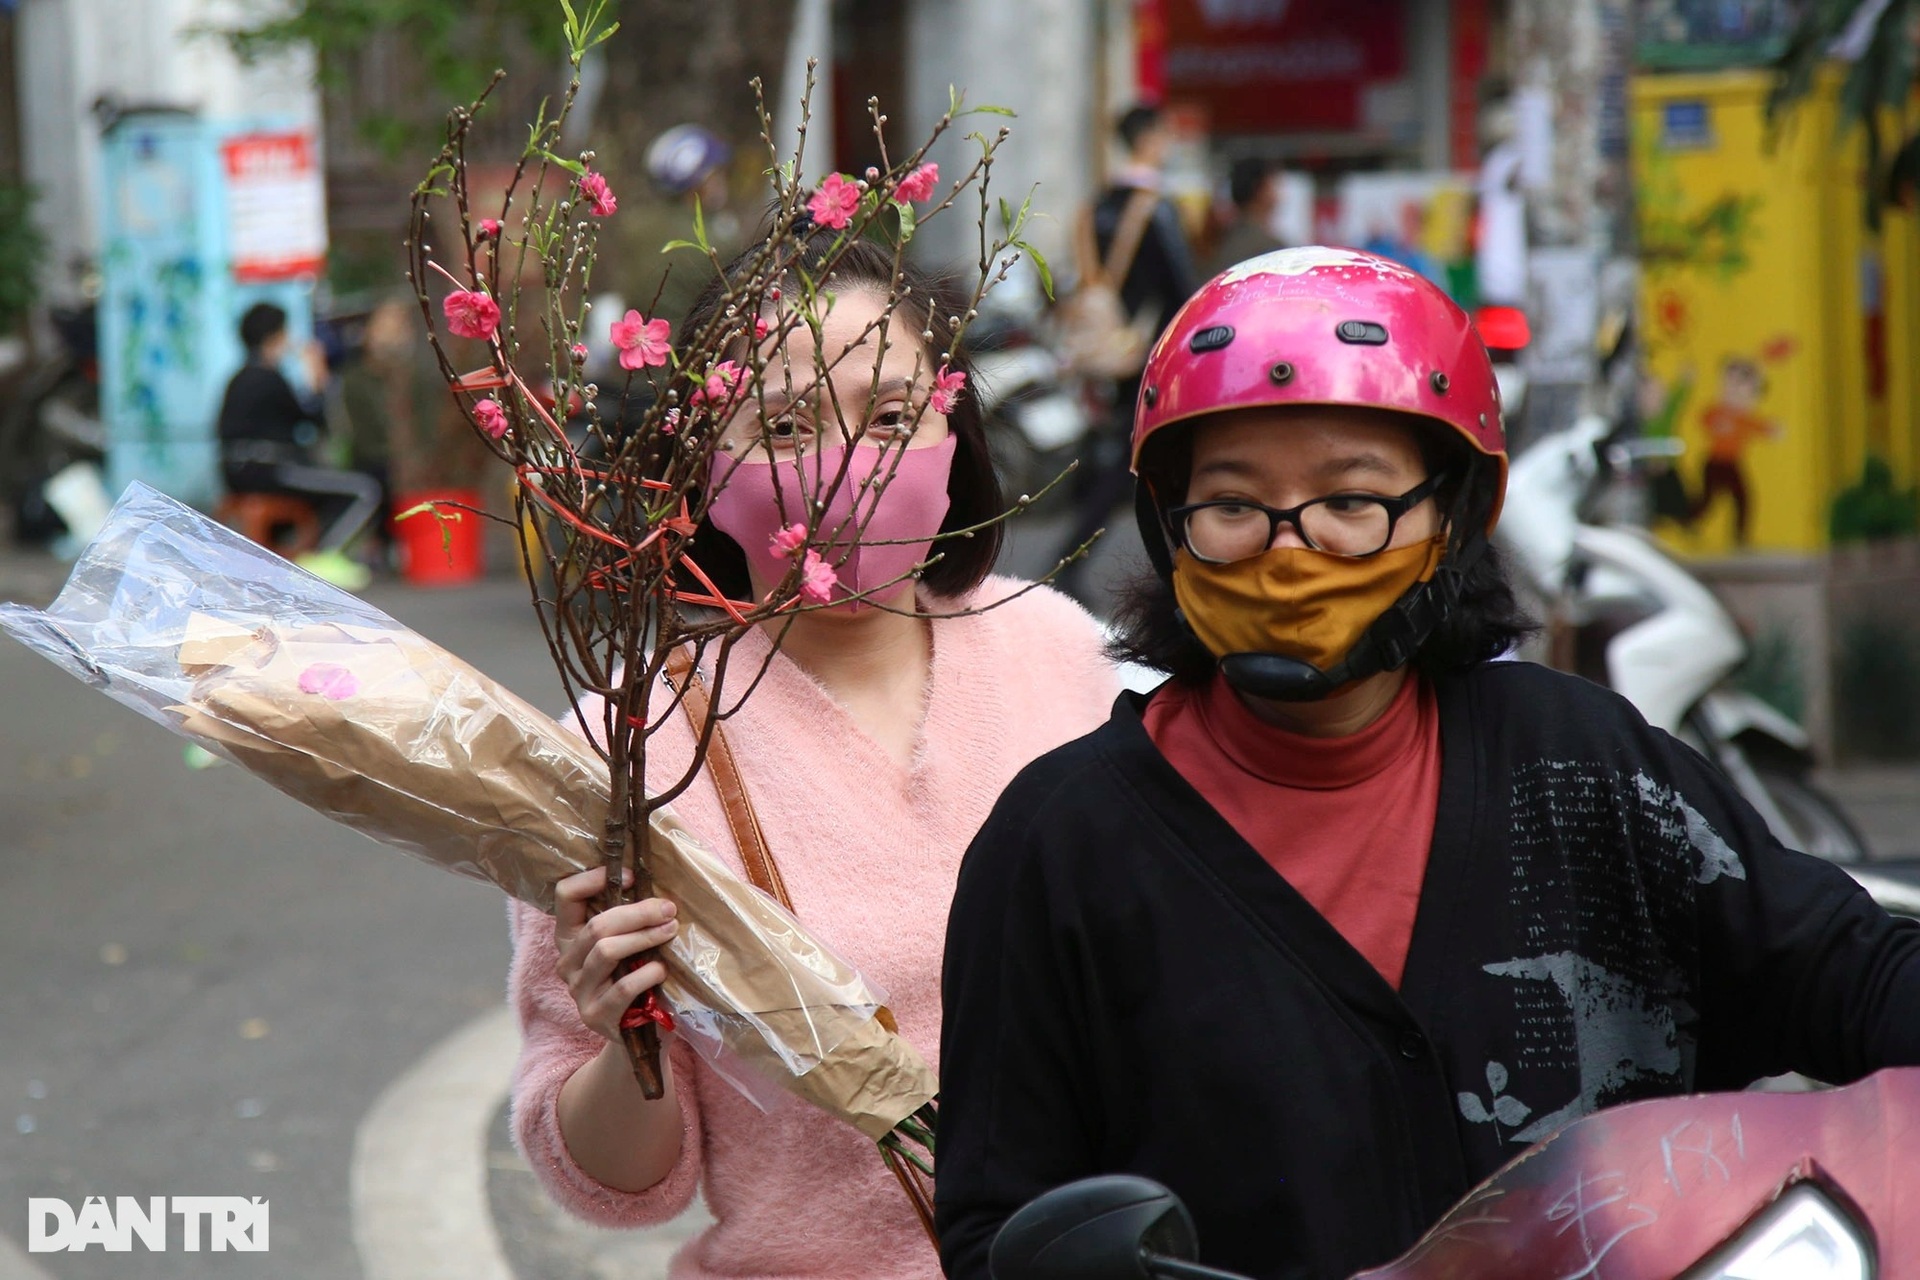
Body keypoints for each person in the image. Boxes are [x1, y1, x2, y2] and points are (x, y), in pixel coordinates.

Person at [935, 248, 1920, 1280]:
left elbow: (1851, 971)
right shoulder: (1059, 844)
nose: (1289, 548)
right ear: (1168, 526)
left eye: (1351, 503)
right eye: (1232, 506)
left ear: (1452, 519)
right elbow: (1002, 1229)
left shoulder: (1586, 765)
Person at [505, 234, 1119, 1280]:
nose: (849, 465)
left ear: (956, 430)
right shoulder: (625, 752)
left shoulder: (1065, 653)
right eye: (785, 427)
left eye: (891, 416)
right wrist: (628, 1035)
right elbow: (617, 1179)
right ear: (700, 468)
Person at [1053, 103, 1201, 600]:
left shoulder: (1095, 206)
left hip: (1108, 348)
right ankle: (1174, 571)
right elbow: (1180, 289)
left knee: (1130, 457)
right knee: (1145, 459)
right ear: (1153, 138)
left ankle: (1077, 558)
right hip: (1148, 352)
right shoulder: (1156, 207)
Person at [217, 302, 382, 580]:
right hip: (270, 470)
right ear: (275, 338)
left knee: (326, 489)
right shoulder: (269, 378)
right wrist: (318, 378)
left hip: (235, 471)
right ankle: (323, 559)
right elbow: (313, 421)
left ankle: (308, 555)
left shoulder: (238, 379)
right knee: (364, 489)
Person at [1205, 157, 1285, 276]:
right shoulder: (1269, 248)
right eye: (1274, 185)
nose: (1280, 194)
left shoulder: (1220, 239)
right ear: (1260, 190)